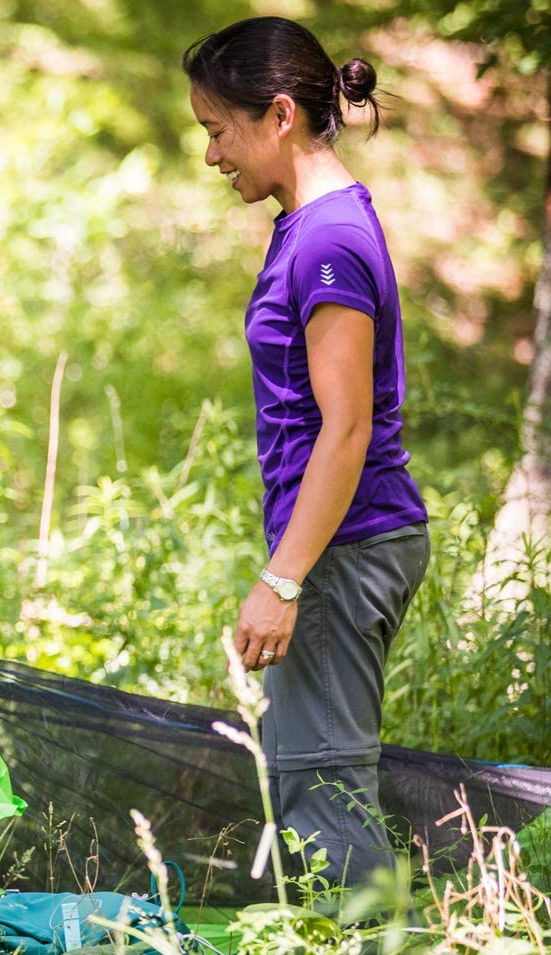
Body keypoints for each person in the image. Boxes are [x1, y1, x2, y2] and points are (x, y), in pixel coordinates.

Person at [182, 18, 430, 894]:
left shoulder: (327, 242)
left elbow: (348, 429)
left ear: (279, 114)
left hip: (344, 547)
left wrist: (283, 580)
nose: (212, 156)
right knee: (305, 782)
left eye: (218, 129)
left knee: (324, 793)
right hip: (334, 542)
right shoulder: (308, 224)